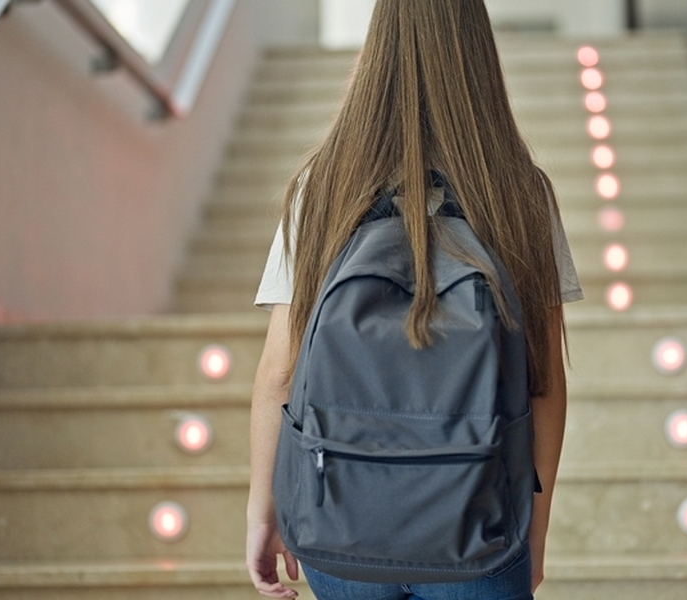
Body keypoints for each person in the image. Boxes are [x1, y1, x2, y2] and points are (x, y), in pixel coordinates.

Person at [245, 1, 581, 598]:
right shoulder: (519, 192)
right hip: (481, 524)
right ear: (478, 56)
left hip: (338, 519)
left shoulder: (323, 187)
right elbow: (543, 382)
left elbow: (280, 371)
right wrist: (537, 534)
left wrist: (264, 508)